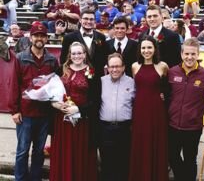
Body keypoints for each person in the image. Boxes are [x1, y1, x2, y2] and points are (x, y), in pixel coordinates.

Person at [11, 23, 59, 181]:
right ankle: (20, 178)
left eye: (42, 35)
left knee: (39, 151)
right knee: (23, 150)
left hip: (44, 113)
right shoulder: (20, 58)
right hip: (25, 113)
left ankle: (35, 178)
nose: (39, 38)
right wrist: (15, 110)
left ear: (46, 38)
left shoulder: (52, 60)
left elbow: (57, 85)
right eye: (36, 35)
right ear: (31, 38)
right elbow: (14, 85)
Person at [167, 38, 204, 181]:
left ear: (198, 54)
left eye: (193, 54)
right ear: (181, 54)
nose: (189, 57)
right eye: (186, 54)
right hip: (172, 125)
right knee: (172, 156)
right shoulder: (172, 72)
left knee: (190, 159)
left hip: (193, 128)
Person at [50, 42, 98, 181]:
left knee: (78, 153)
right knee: (63, 152)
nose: (76, 56)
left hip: (81, 122)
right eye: (74, 53)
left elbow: (95, 100)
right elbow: (52, 93)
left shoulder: (92, 72)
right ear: (69, 55)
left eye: (79, 53)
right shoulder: (61, 70)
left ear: (85, 55)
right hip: (62, 120)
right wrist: (55, 104)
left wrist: (78, 109)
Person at [129, 35, 169, 181]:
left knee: (155, 142)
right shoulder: (134, 66)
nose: (146, 50)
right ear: (140, 49)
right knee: (140, 142)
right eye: (143, 48)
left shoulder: (163, 66)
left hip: (156, 111)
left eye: (149, 47)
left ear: (155, 48)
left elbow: (167, 88)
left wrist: (164, 95)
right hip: (139, 109)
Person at [99, 53, 135, 181]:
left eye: (118, 66)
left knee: (123, 163)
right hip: (105, 130)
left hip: (124, 129)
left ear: (124, 67)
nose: (115, 69)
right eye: (112, 66)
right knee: (106, 164)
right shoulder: (101, 82)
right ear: (107, 68)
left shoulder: (132, 82)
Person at [61, 9, 109, 78]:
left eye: (91, 19)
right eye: (86, 19)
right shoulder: (69, 37)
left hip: (97, 77)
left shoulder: (101, 37)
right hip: (75, 78)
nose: (89, 21)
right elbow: (63, 59)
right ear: (80, 20)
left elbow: (104, 57)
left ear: (95, 21)